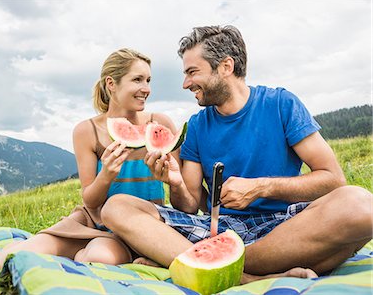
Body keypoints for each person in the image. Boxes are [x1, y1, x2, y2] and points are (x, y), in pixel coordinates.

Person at [101, 25, 373, 281]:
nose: (185, 83)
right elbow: (189, 205)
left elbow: (333, 179)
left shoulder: (281, 104)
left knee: (360, 205)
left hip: (288, 226)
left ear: (226, 66)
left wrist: (261, 187)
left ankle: (199, 262)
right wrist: (176, 183)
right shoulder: (197, 125)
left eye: (193, 72)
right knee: (117, 206)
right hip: (217, 228)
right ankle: (244, 276)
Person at [0, 48, 178, 270]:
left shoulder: (160, 124)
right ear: (111, 83)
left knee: (98, 258)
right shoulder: (87, 130)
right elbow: (90, 199)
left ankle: (83, 253)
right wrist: (107, 174)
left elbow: (181, 196)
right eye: (137, 79)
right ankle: (75, 247)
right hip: (92, 221)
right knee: (4, 261)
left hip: (140, 227)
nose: (146, 89)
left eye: (148, 80)